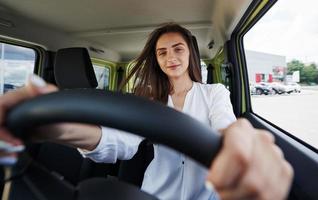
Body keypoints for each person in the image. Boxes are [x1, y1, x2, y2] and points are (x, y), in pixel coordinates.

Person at [0, 23, 293, 200]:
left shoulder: (214, 93)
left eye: (177, 49)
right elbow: (119, 142)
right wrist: (58, 129)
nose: (170, 57)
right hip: (153, 196)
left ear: (189, 52)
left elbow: (225, 127)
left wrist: (240, 146)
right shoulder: (148, 101)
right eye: (162, 52)